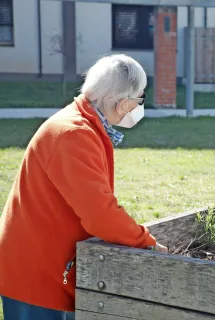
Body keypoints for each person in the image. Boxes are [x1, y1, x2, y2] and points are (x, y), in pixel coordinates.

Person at [0, 54, 168, 319]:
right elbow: (100, 213)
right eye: (140, 98)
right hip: (36, 273)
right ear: (123, 103)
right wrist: (144, 241)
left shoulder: (82, 125)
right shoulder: (74, 134)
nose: (139, 106)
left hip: (44, 264)